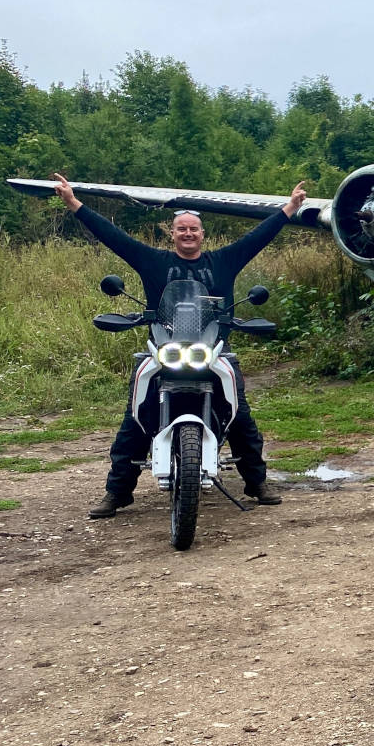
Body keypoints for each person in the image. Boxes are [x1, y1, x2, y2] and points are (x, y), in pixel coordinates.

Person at [52, 173, 307, 519]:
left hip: (213, 349)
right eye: (181, 229)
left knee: (241, 418)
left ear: (203, 234)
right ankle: (117, 491)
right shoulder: (154, 261)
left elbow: (257, 237)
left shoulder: (223, 261)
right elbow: (114, 238)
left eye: (194, 229)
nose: (188, 233)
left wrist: (289, 208)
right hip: (163, 347)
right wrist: (74, 204)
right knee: (136, 417)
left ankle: (257, 483)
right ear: (171, 234)